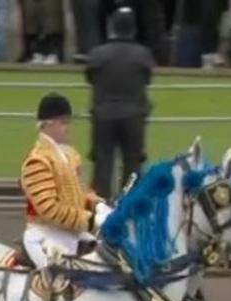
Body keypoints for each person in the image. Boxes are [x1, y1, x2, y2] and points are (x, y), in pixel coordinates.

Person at [19, 93, 110, 268]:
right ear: (48, 123)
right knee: (58, 282)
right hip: (45, 235)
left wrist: (99, 205)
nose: (68, 127)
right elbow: (49, 209)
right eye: (63, 122)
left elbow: (80, 193)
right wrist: (91, 220)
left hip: (73, 232)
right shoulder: (37, 160)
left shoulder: (70, 155)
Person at [86, 7, 153, 198]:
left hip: (104, 115)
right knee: (133, 166)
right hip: (133, 116)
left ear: (112, 27)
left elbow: (90, 77)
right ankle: (129, 209)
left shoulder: (97, 54)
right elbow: (147, 79)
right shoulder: (143, 55)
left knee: (102, 166)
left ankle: (100, 210)